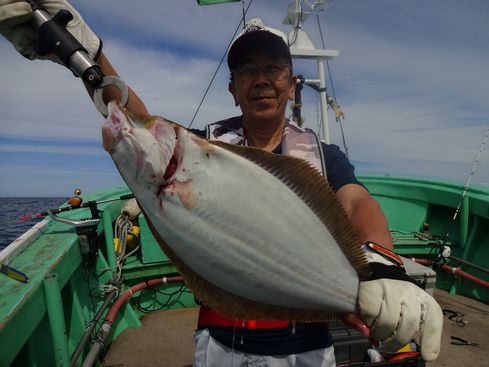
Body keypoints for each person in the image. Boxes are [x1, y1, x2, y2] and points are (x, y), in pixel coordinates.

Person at [0, 1, 443, 366]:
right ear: (233, 89)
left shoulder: (325, 157)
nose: (262, 79)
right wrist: (84, 55)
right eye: (248, 71)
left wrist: (385, 267)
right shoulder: (205, 148)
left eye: (274, 68)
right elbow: (136, 120)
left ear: (291, 85)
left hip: (306, 348)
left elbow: (355, 201)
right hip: (221, 346)